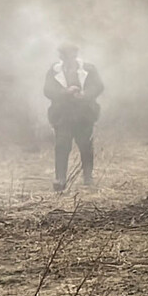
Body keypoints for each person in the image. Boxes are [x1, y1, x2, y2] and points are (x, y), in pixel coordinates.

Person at [42, 42, 103, 192]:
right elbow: (47, 90)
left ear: (75, 55)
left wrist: (85, 94)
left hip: (84, 114)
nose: (67, 58)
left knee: (85, 146)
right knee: (62, 146)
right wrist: (65, 92)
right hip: (63, 115)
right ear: (61, 56)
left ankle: (88, 177)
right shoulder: (54, 71)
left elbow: (98, 86)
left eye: (70, 55)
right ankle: (60, 179)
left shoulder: (88, 69)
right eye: (64, 55)